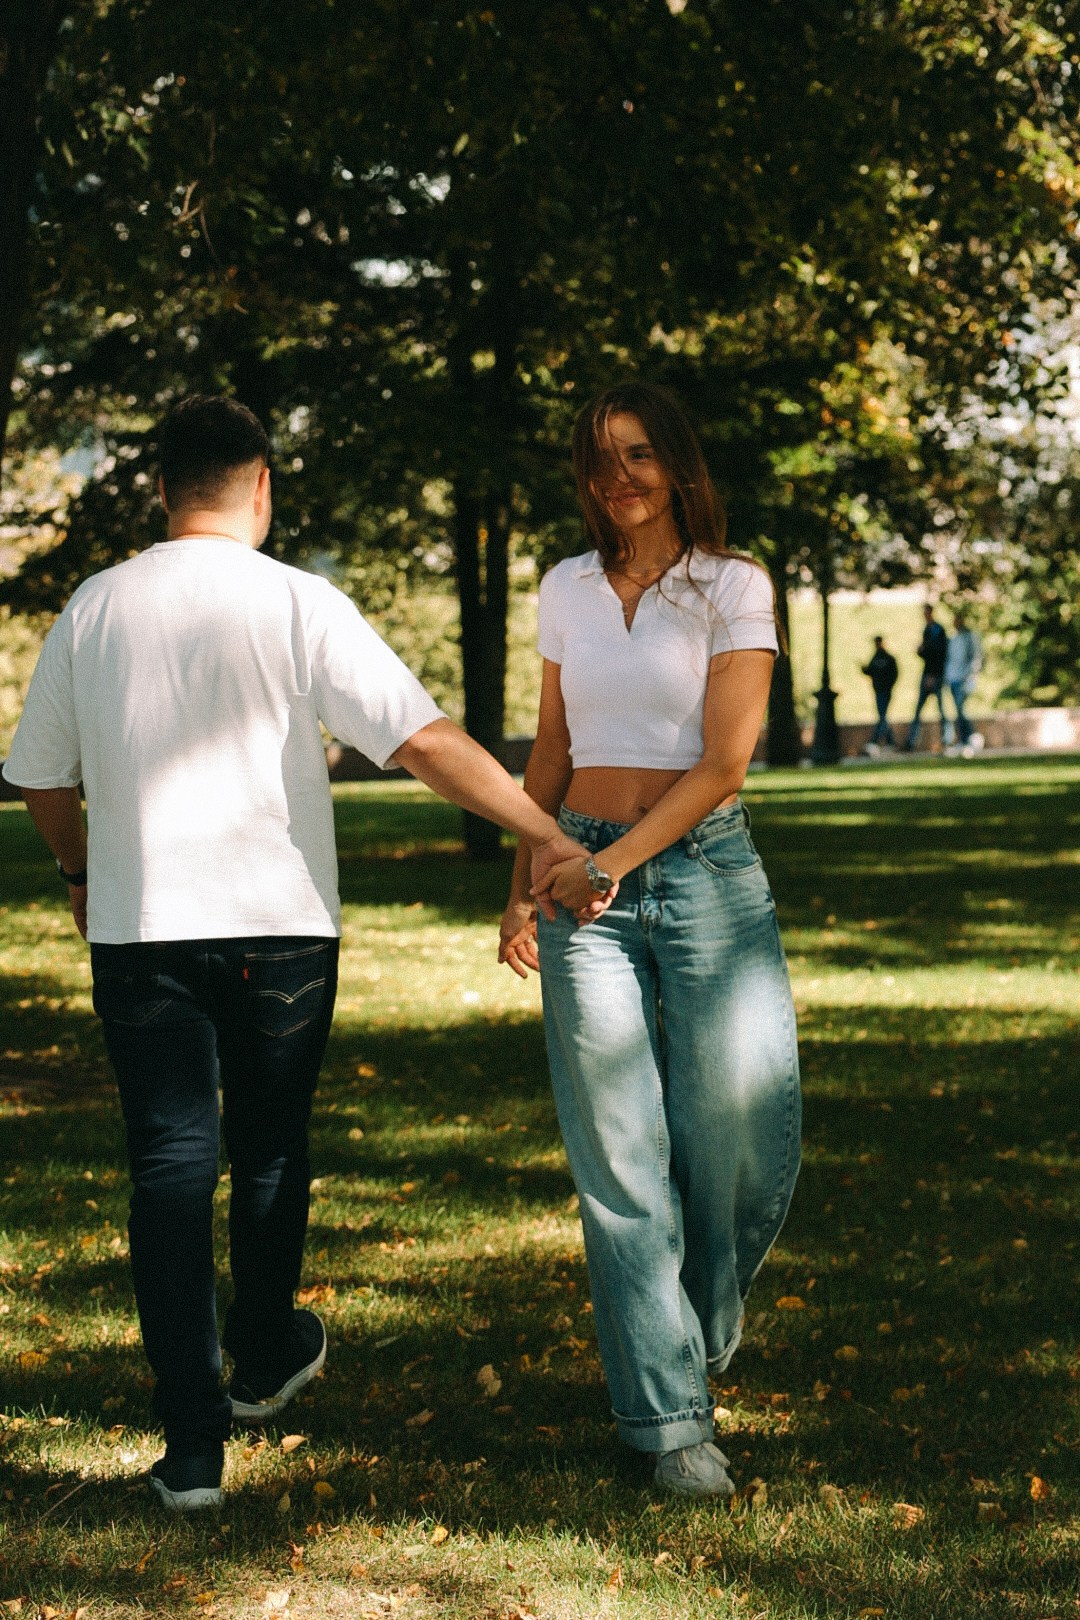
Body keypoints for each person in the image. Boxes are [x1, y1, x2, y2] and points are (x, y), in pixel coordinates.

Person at [2, 395, 587, 1513]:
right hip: (282, 928)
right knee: (269, 1146)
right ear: (261, 484)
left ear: (160, 488)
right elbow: (421, 740)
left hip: (143, 931)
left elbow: (38, 775)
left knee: (170, 1166)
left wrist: (79, 871)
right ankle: (263, 1352)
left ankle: (191, 1449)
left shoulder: (94, 606)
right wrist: (543, 831)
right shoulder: (298, 601)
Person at [498, 383, 801, 1499]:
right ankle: (670, 1418)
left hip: (704, 872)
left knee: (739, 1137)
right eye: (597, 460)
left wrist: (611, 865)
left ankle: (686, 1326)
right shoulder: (567, 588)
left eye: (636, 455)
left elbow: (725, 761)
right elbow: (552, 748)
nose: (616, 477)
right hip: (575, 874)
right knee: (620, 1156)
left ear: (675, 462)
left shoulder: (732, 585)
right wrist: (528, 877)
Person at [903, 603, 948, 751]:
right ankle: (912, 741)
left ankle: (945, 740)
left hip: (934, 675)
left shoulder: (937, 631)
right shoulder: (927, 630)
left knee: (941, 709)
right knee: (919, 710)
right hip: (928, 673)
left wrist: (932, 675)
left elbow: (938, 655)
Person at [943, 611, 982, 752]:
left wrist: (971, 675)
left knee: (961, 710)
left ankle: (969, 738)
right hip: (953, 678)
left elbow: (975, 657)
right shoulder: (953, 638)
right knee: (958, 711)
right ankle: (964, 739)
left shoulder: (969, 637)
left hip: (963, 678)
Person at [861, 635, 899, 748]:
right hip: (878, 690)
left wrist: (889, 685)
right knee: (882, 715)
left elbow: (894, 674)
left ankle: (875, 740)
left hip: (885, 690)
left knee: (882, 715)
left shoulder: (888, 658)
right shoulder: (876, 658)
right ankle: (890, 741)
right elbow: (871, 671)